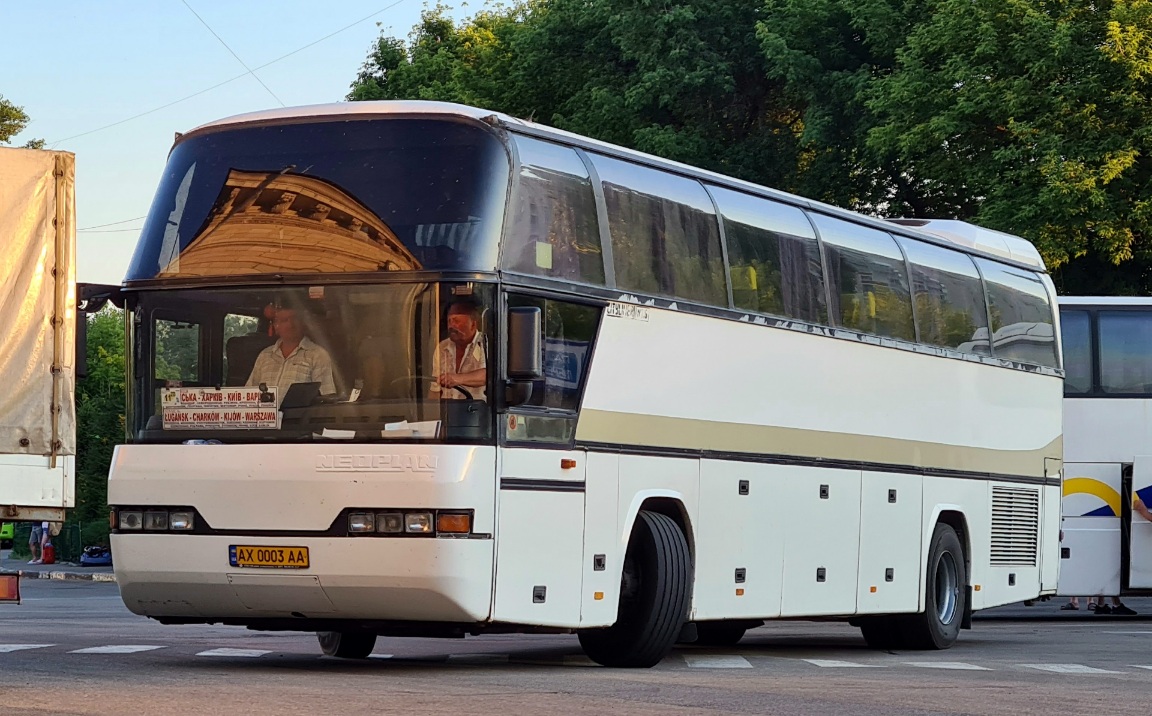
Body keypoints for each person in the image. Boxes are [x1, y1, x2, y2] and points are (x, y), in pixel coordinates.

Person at [246, 306, 335, 402]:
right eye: (284, 320)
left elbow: (326, 399)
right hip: (264, 416)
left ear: (303, 323)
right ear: (276, 326)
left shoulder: (318, 355)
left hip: (299, 417)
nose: (291, 325)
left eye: (295, 319)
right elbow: (248, 395)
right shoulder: (264, 355)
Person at [430, 299, 487, 401]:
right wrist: (431, 414)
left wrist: (458, 379)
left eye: (456, 321)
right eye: (449, 321)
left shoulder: (486, 344)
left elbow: (488, 375)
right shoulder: (442, 347)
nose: (451, 326)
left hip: (478, 413)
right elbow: (435, 389)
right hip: (447, 412)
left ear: (473, 325)